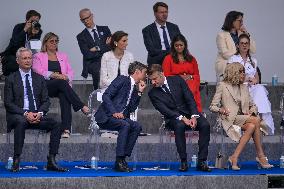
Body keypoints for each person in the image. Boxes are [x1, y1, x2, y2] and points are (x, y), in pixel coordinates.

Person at [4, 47, 68, 172]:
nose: (28, 60)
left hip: (37, 115)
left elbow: (46, 101)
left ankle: (51, 160)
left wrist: (39, 113)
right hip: (18, 115)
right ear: (18, 60)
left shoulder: (39, 78)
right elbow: (8, 103)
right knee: (21, 121)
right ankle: (16, 159)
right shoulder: (11, 78)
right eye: (24, 58)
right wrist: (25, 113)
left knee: (57, 124)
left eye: (30, 58)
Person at [210, 63, 273, 170]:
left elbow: (253, 105)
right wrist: (221, 109)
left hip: (243, 118)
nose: (244, 74)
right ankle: (261, 156)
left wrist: (251, 111)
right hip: (229, 118)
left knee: (252, 126)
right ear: (233, 72)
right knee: (256, 120)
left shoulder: (243, 86)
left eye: (244, 72)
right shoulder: (223, 85)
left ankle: (234, 157)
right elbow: (212, 106)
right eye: (241, 72)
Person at [148, 64, 211, 172]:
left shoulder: (177, 80)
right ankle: (183, 161)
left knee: (205, 125)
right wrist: (181, 118)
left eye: (155, 79)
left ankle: (202, 161)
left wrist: (194, 116)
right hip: (172, 117)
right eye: (151, 80)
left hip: (189, 113)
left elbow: (189, 98)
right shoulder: (152, 93)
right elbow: (164, 110)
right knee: (179, 125)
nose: (153, 82)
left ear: (162, 74)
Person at [33, 32, 90, 138]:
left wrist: (66, 76)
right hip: (45, 86)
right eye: (51, 41)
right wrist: (55, 75)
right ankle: (81, 106)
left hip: (60, 85)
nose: (54, 43)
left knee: (65, 95)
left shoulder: (63, 56)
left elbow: (70, 72)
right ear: (45, 43)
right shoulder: (38, 56)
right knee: (61, 83)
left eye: (56, 41)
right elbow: (38, 71)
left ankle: (66, 129)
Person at [95, 61, 147, 172]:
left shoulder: (135, 87)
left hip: (120, 118)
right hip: (106, 116)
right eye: (144, 73)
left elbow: (132, 108)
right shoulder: (122, 79)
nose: (145, 76)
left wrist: (139, 92)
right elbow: (106, 95)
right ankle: (119, 161)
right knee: (125, 125)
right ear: (137, 72)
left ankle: (123, 157)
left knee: (137, 126)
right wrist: (114, 112)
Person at [228, 34, 274, 135]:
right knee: (256, 91)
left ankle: (262, 124)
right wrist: (245, 78)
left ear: (249, 46)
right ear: (238, 46)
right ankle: (255, 122)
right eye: (242, 43)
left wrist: (254, 80)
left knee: (260, 89)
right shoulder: (233, 59)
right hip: (238, 88)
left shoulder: (253, 61)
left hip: (251, 88)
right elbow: (229, 77)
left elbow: (257, 77)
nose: (244, 45)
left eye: (246, 43)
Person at [162, 34, 202, 112]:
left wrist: (190, 77)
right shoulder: (168, 59)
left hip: (191, 84)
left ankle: (193, 111)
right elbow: (166, 76)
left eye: (181, 45)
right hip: (175, 85)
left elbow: (197, 76)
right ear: (173, 46)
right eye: (176, 45)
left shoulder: (192, 58)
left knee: (191, 85)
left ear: (185, 45)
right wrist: (179, 78)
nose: (179, 47)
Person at [215, 11, 256, 81]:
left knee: (253, 66)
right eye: (240, 21)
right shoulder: (221, 35)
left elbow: (253, 50)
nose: (242, 23)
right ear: (232, 21)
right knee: (240, 68)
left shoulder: (242, 34)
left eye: (242, 21)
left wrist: (247, 33)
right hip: (227, 63)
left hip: (242, 63)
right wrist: (240, 54)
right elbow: (225, 54)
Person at [77, 8, 112, 90]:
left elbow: (111, 46)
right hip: (93, 63)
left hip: (108, 59)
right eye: (83, 20)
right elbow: (87, 55)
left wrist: (97, 48)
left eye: (87, 18)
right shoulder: (81, 36)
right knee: (99, 69)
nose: (85, 21)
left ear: (92, 16)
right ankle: (97, 93)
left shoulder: (105, 29)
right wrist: (105, 47)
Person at [0, 10, 42, 76]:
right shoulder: (18, 27)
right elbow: (15, 42)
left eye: (36, 21)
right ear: (26, 21)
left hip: (27, 56)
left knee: (35, 63)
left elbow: (34, 49)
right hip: (13, 54)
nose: (34, 23)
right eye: (32, 21)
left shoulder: (38, 31)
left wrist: (34, 35)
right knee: (15, 62)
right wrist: (24, 30)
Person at [142, 2, 180, 66]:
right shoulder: (147, 30)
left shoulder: (174, 27)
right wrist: (171, 52)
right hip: (157, 62)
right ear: (155, 13)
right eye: (161, 12)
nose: (164, 14)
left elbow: (181, 43)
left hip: (174, 60)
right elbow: (152, 51)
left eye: (166, 12)